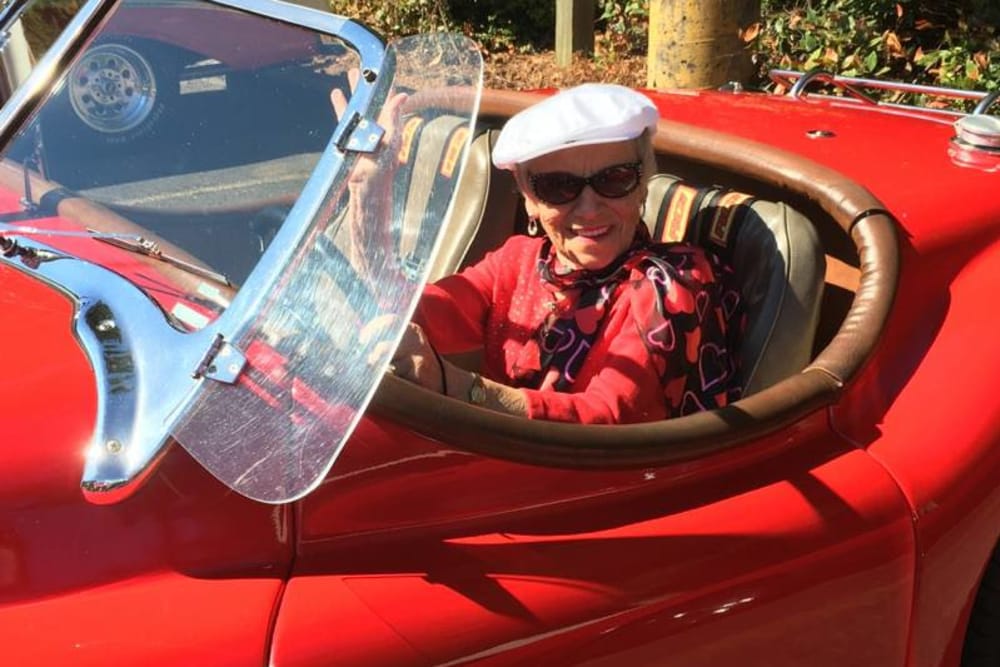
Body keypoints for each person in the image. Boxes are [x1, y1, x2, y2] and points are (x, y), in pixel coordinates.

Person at [363, 83, 742, 424]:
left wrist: (452, 384)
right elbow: (412, 310)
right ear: (529, 199)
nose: (590, 208)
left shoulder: (671, 283)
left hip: (611, 487)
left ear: (642, 184)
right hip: (508, 465)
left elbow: (605, 418)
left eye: (615, 179)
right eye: (558, 187)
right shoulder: (520, 260)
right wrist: (366, 197)